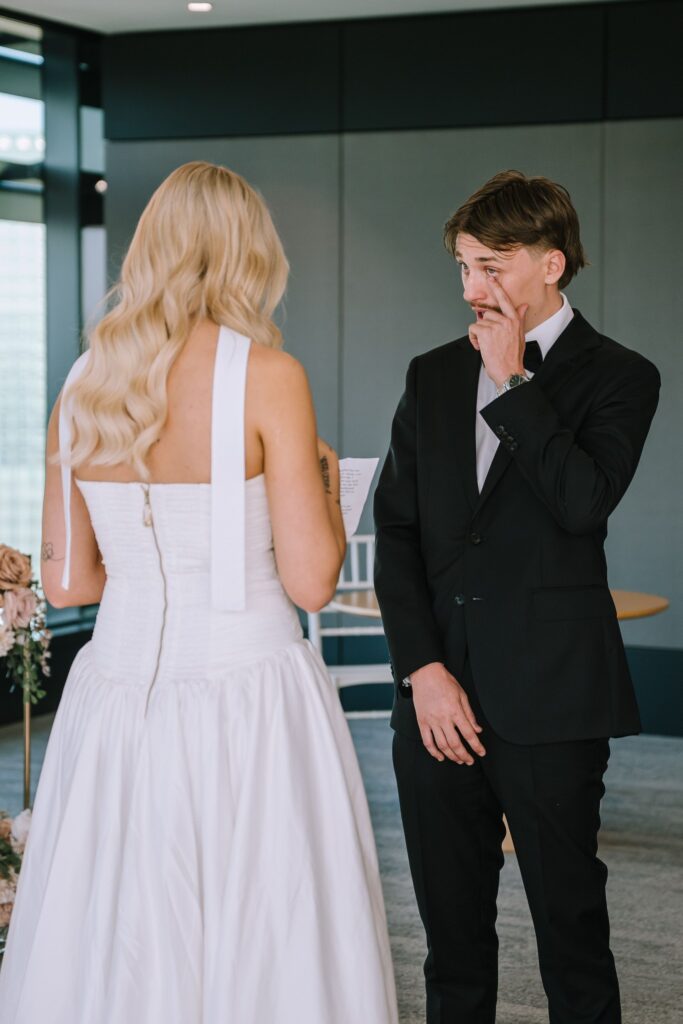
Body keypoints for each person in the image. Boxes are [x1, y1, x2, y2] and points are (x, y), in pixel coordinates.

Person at [0, 161, 398, 1024]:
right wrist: (326, 478)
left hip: (114, 691)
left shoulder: (81, 382)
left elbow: (69, 579)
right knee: (265, 918)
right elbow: (312, 581)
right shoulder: (270, 376)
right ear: (247, 255)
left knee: (118, 916)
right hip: (248, 689)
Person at [374, 169, 660, 1023]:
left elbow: (581, 502)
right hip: (434, 705)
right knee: (450, 941)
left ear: (553, 264)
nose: (472, 288)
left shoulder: (621, 376)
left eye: (492, 265)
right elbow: (396, 534)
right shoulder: (428, 375)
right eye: (463, 265)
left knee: (570, 933)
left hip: (552, 700)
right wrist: (420, 668)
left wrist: (514, 385)